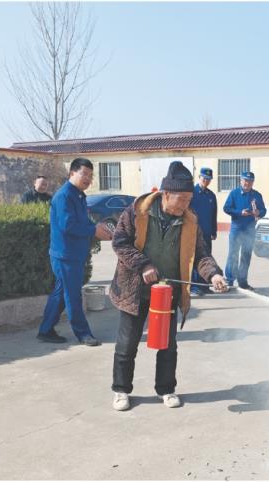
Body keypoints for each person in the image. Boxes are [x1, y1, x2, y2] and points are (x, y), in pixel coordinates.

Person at [109, 161, 228, 411]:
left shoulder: (190, 221)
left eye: (189, 199)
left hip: (167, 293)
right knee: (127, 344)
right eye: (181, 199)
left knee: (167, 344)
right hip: (134, 290)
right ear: (165, 194)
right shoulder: (137, 211)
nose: (185, 205)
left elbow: (201, 254)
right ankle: (121, 390)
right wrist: (143, 265)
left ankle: (166, 389)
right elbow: (120, 242)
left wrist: (214, 275)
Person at [37, 158, 113, 346]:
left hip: (73, 254)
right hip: (65, 255)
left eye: (90, 175)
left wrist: (97, 227)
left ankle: (45, 330)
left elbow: (83, 222)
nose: (88, 178)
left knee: (61, 293)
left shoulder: (79, 195)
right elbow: (68, 225)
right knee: (73, 296)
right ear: (72, 173)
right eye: (84, 174)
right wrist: (93, 230)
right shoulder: (64, 196)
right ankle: (83, 334)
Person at [223, 171, 267, 290]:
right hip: (236, 228)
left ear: (253, 182)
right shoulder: (234, 193)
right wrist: (239, 212)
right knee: (233, 254)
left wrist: (259, 212)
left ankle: (243, 281)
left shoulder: (257, 195)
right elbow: (226, 208)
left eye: (250, 181)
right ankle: (229, 280)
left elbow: (264, 210)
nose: (247, 183)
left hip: (250, 229)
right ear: (241, 180)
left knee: (246, 255)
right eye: (245, 181)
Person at [189, 167, 218, 296]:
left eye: (209, 179)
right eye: (204, 178)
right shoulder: (192, 193)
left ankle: (205, 285)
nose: (206, 181)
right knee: (196, 259)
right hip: (194, 233)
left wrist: (214, 230)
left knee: (206, 258)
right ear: (199, 177)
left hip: (206, 233)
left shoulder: (211, 195)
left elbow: (213, 214)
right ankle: (195, 286)